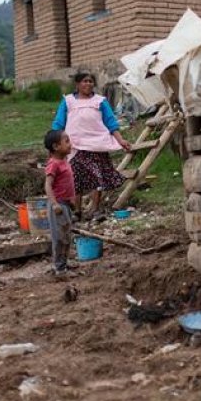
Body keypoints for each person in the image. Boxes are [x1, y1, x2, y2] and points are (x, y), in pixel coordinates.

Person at [52, 72, 132, 219]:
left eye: (91, 81)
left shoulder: (100, 101)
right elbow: (58, 123)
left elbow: (111, 123)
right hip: (75, 145)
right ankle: (77, 211)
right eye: (85, 81)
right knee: (74, 177)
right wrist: (55, 143)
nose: (88, 84)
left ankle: (95, 209)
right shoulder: (68, 101)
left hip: (97, 144)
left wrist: (121, 140)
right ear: (77, 84)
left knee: (97, 176)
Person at [44, 130, 77, 276]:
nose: (70, 144)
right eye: (67, 141)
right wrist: (54, 204)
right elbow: (48, 185)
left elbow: (68, 184)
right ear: (56, 146)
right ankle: (60, 269)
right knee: (60, 238)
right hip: (58, 206)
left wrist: (72, 201)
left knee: (66, 236)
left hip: (66, 205)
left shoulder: (64, 162)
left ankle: (63, 264)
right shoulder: (54, 164)